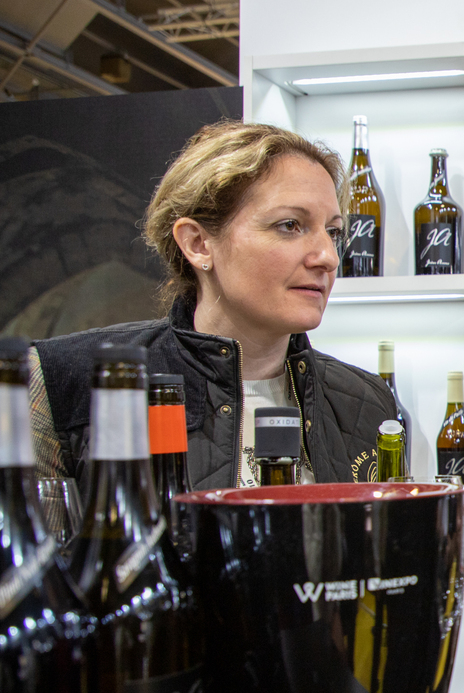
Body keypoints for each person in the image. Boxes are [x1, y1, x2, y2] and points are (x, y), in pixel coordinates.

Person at [30, 120, 396, 492]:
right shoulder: (64, 382)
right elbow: (39, 545)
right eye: (290, 225)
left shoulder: (366, 402)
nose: (328, 257)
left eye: (333, 232)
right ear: (198, 244)